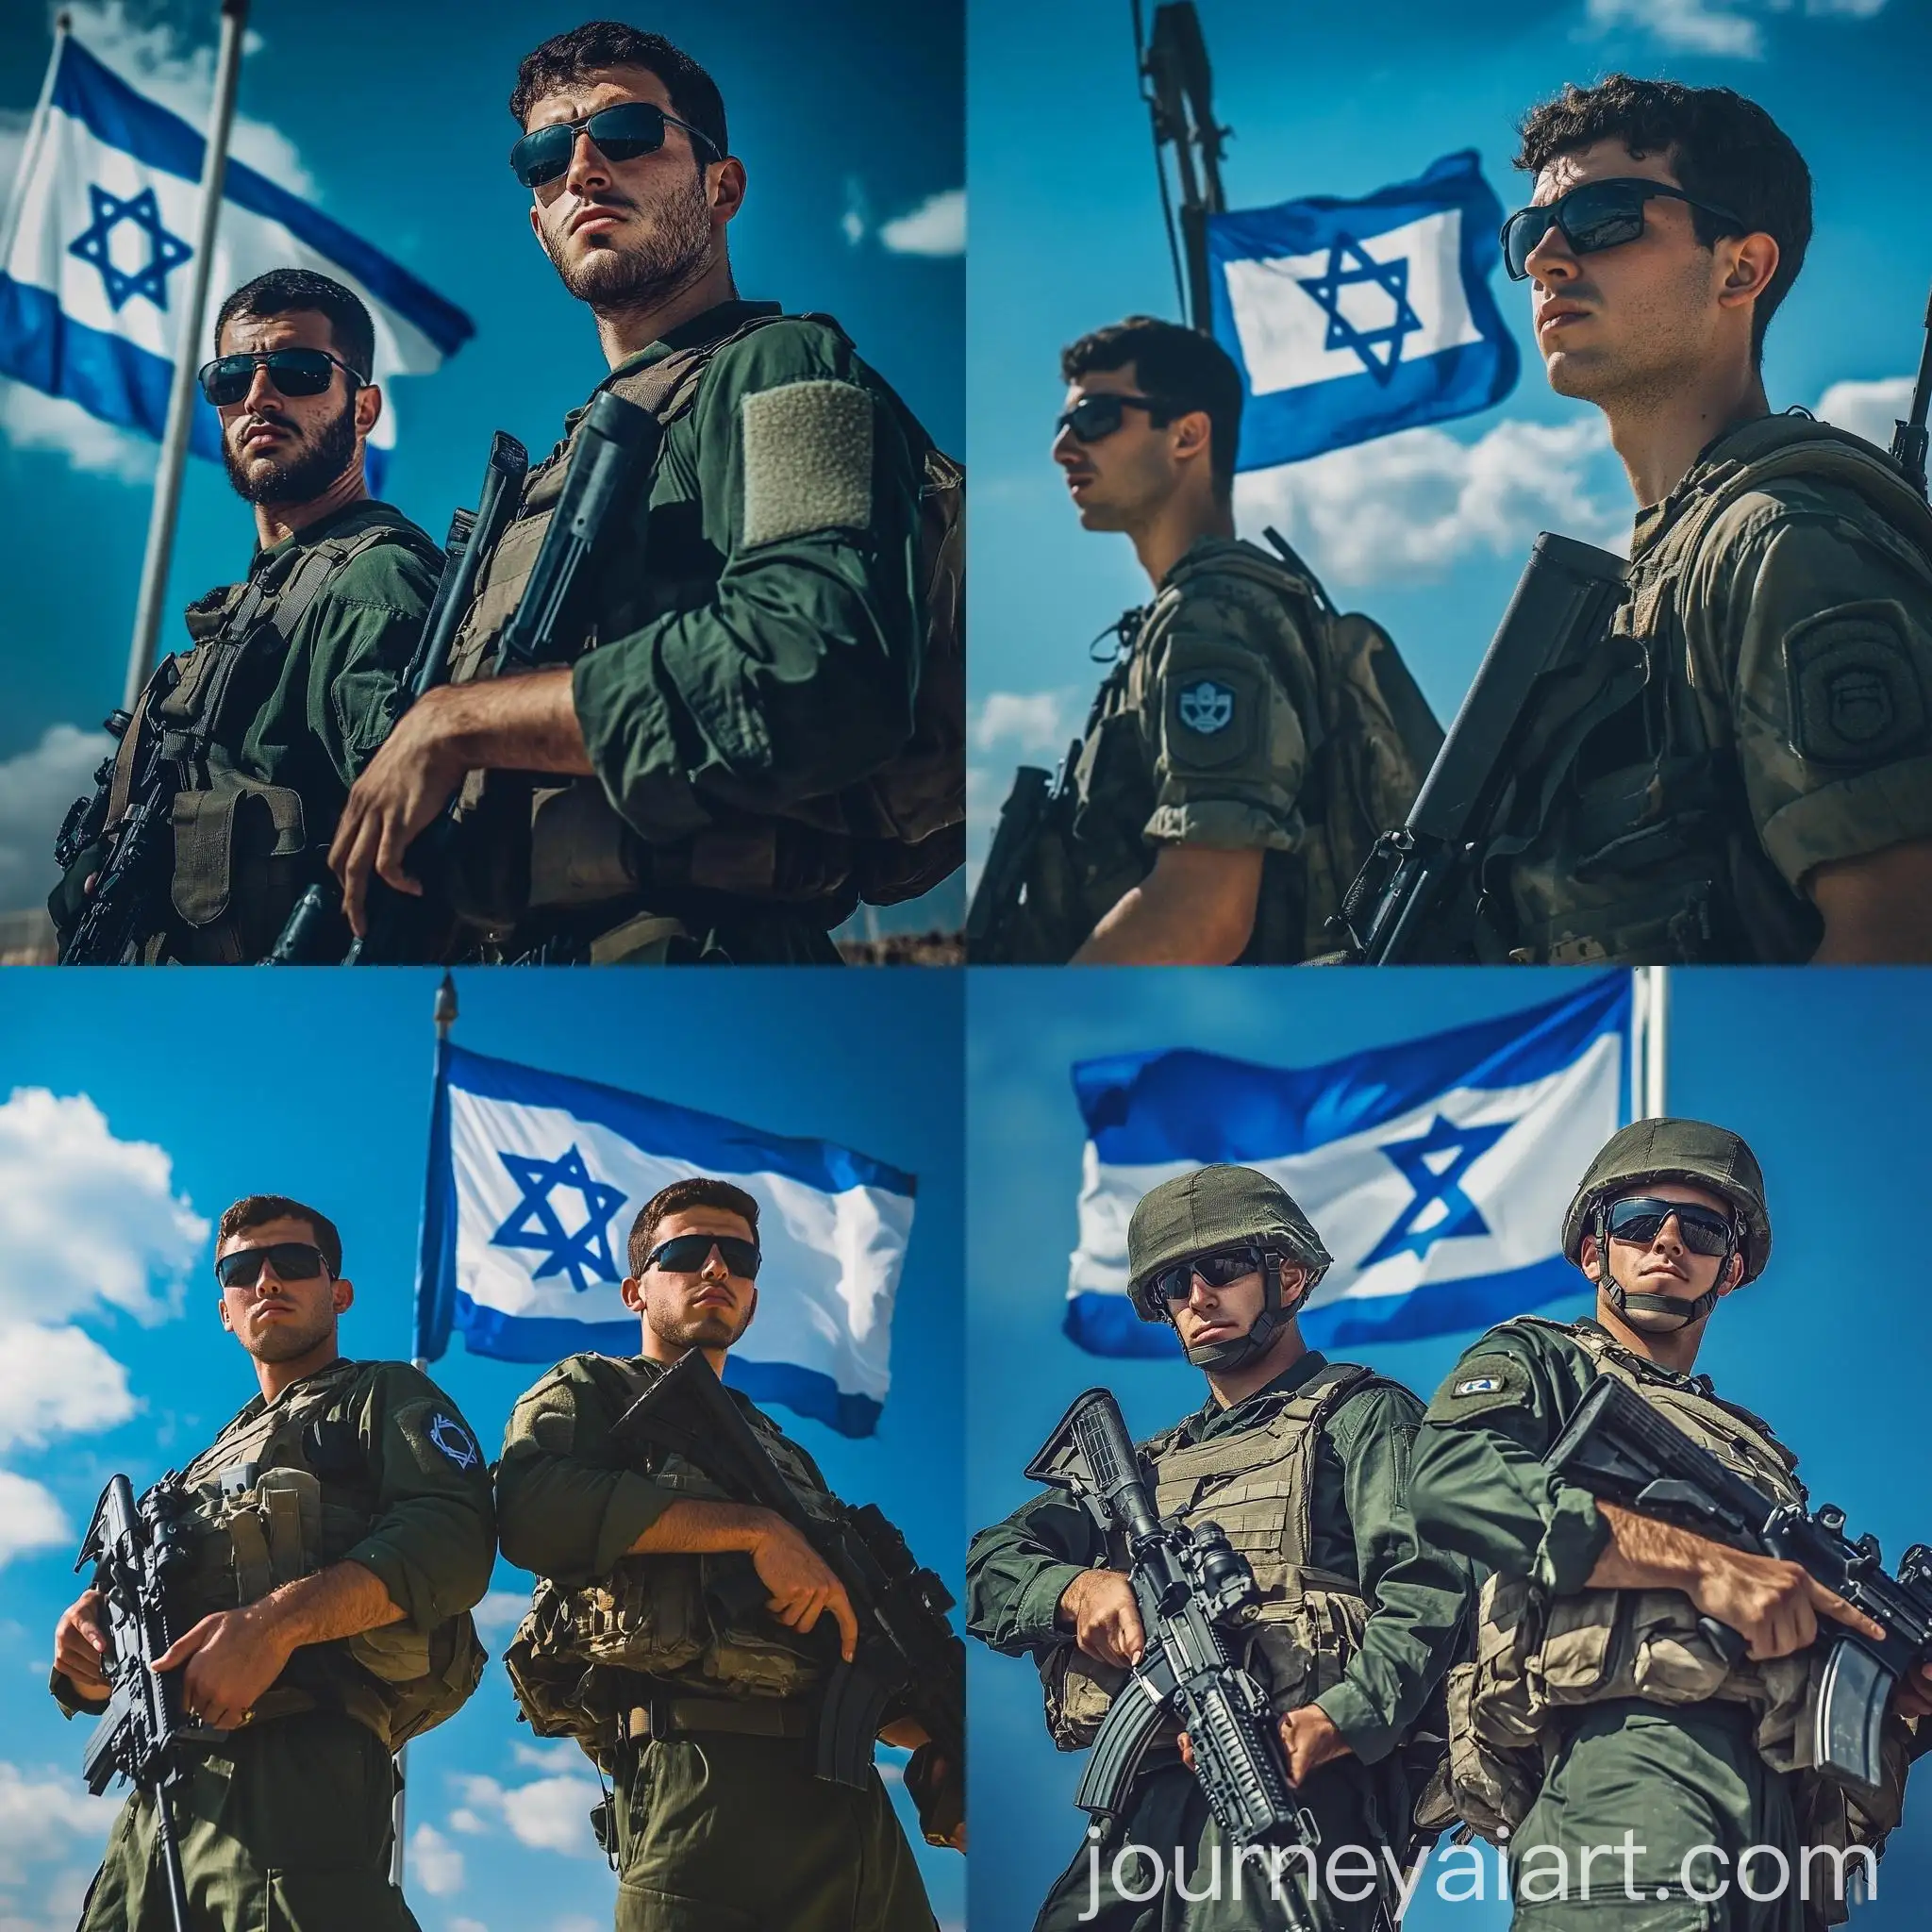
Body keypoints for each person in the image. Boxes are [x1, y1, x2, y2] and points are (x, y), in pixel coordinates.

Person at [329, 22, 957, 966]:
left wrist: (457, 721)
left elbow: (815, 665)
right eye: (544, 157)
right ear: (537, 221)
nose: (579, 169)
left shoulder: (778, 367)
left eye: (624, 135)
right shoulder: (552, 473)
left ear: (721, 185)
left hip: (702, 952)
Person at [1452, 75, 1932, 964]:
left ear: (1740, 268)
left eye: (1608, 216)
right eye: (1530, 235)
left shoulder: (1784, 540)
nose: (1548, 258)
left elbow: (1898, 928)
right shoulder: (1660, 572)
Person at [1408, 1119, 1932, 1926]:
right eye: (1638, 1222)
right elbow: (1450, 1480)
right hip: (1634, 1760)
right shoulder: (1542, 1361)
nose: (1667, 1241)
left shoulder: (1762, 1454)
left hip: (1785, 1830)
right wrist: (1701, 1565)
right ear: (1594, 1253)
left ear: (1732, 1271)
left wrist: (1901, 1685)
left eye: (1701, 1230)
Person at [966, 1165, 1472, 1929]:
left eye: (1225, 1269)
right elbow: (991, 1562)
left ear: (1290, 1277)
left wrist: (1337, 1722)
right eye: (1175, 1283)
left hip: (1305, 1787)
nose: (1198, 1294)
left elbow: (1428, 1593)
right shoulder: (1140, 1472)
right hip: (1145, 1805)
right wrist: (1077, 1593)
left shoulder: (1363, 1417)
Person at [494, 1177, 945, 1929]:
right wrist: (753, 1532)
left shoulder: (784, 1452)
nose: (716, 1270)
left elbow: (853, 1641)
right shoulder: (593, 1390)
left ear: (754, 1298)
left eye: (738, 1257)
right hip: (699, 1781)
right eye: (685, 1253)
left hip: (853, 1807)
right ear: (636, 1291)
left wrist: (937, 1750)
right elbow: (532, 1510)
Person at [50, 1195, 495, 1930]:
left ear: (337, 1290)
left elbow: (453, 1535)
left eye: (292, 1263)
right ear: (224, 1308)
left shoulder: (378, 1396)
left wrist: (276, 1625)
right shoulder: (189, 1477)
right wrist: (82, 1651)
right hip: (159, 1796)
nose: (267, 1282)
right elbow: (104, 1660)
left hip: (299, 1765)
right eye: (241, 1270)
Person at [978, 318, 1429, 966]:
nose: (1063, 447)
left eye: (1097, 417)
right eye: (1062, 425)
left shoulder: (1209, 617)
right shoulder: (1205, 612)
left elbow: (1202, 912)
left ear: (1188, 434)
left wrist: (1034, 1033)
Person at [51, 270, 442, 963]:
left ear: (363, 408)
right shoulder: (253, 604)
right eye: (231, 379)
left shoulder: (371, 581)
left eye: (298, 370)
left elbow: (423, 864)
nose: (259, 398)